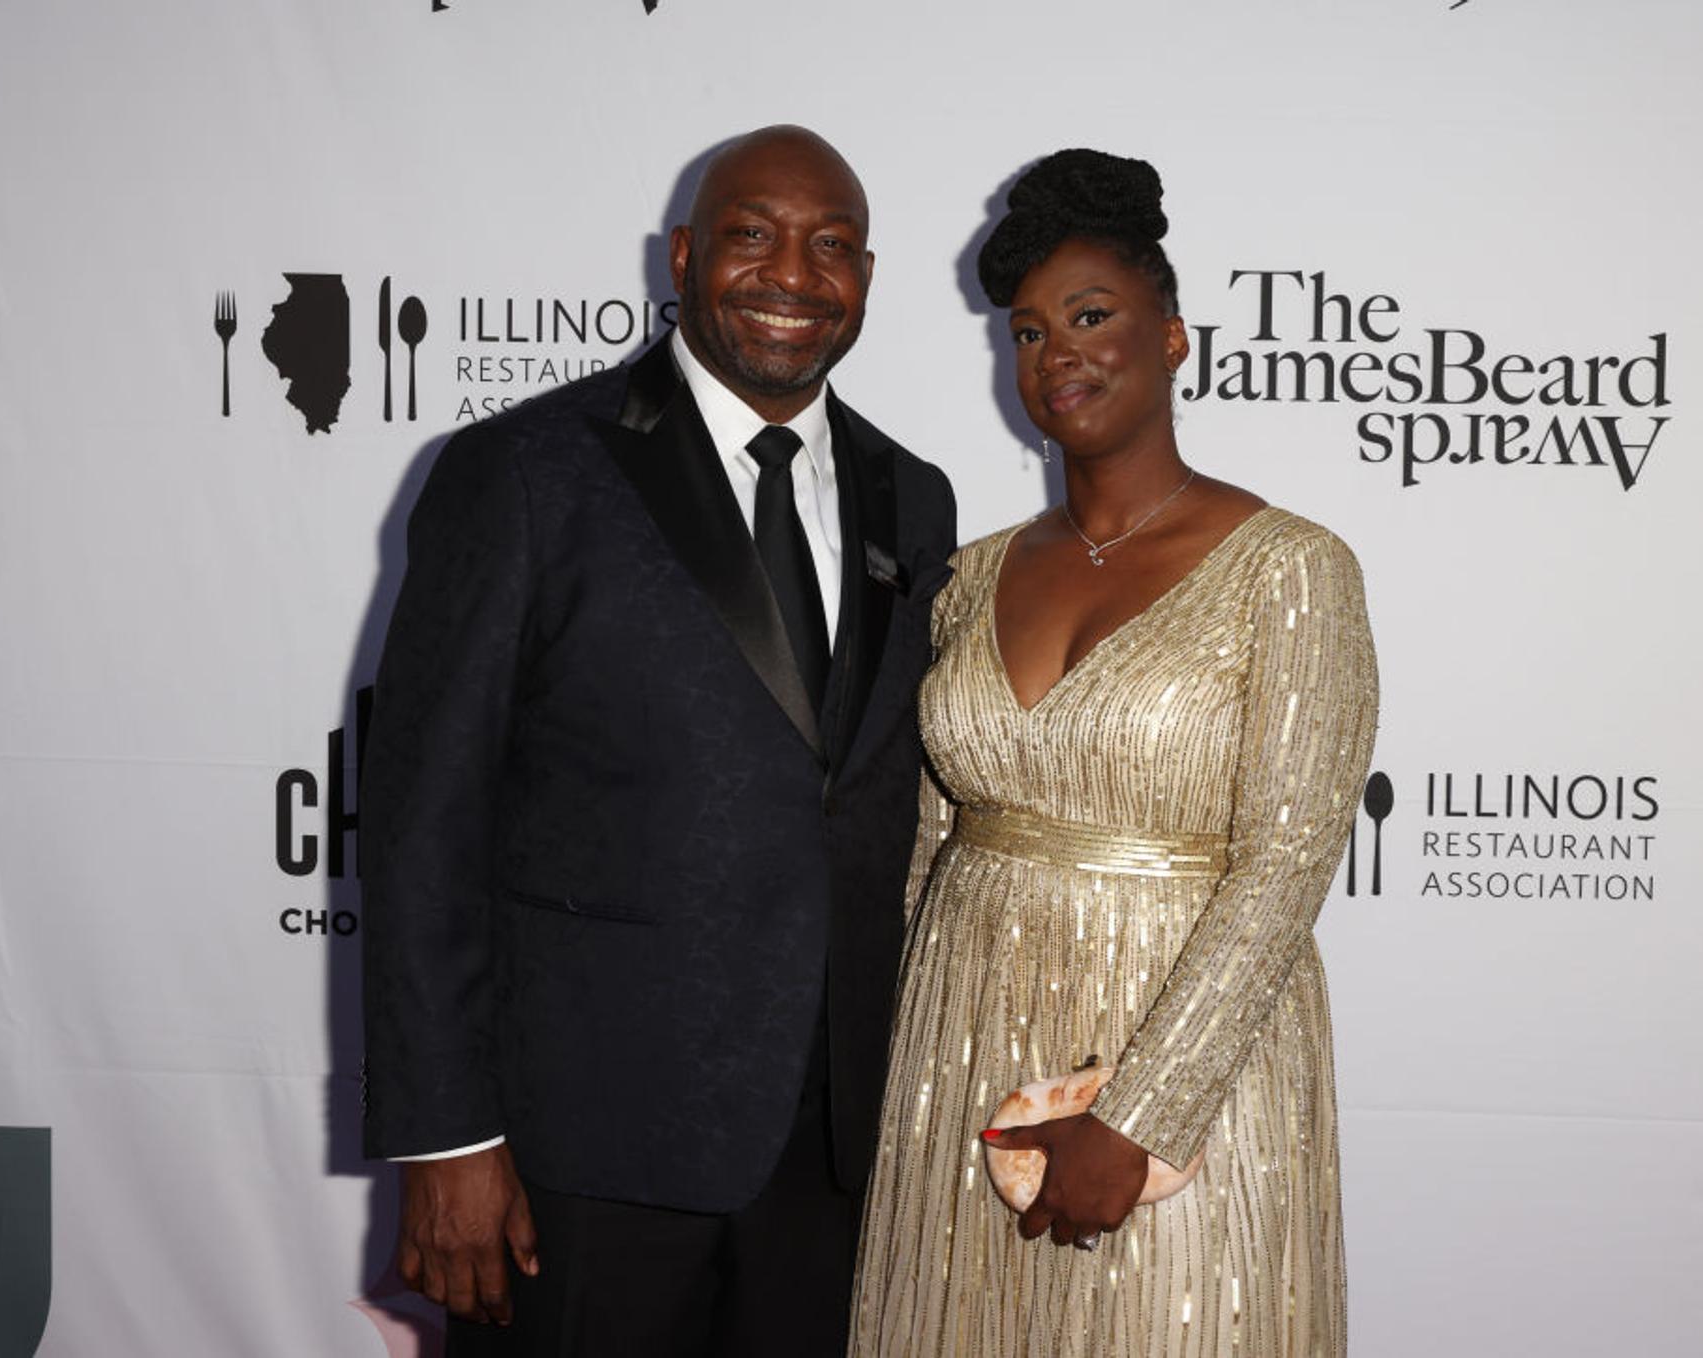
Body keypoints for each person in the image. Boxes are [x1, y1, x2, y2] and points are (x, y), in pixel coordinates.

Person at [359, 125, 956, 1356]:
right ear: (682, 255)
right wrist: (446, 1137)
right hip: (583, 1152)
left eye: (832, 245)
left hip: (833, 1155)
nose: (793, 272)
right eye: (753, 234)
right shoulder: (523, 472)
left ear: (868, 278)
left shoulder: (917, 494)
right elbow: (425, 823)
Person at [850, 149, 1377, 1358]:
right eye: (1028, 333)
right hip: (961, 1051)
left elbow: (1287, 861)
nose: (1058, 354)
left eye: (1092, 316)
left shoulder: (1291, 568)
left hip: (1183, 1073)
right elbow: (930, 843)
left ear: (1175, 337)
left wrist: (1141, 1113)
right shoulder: (971, 573)